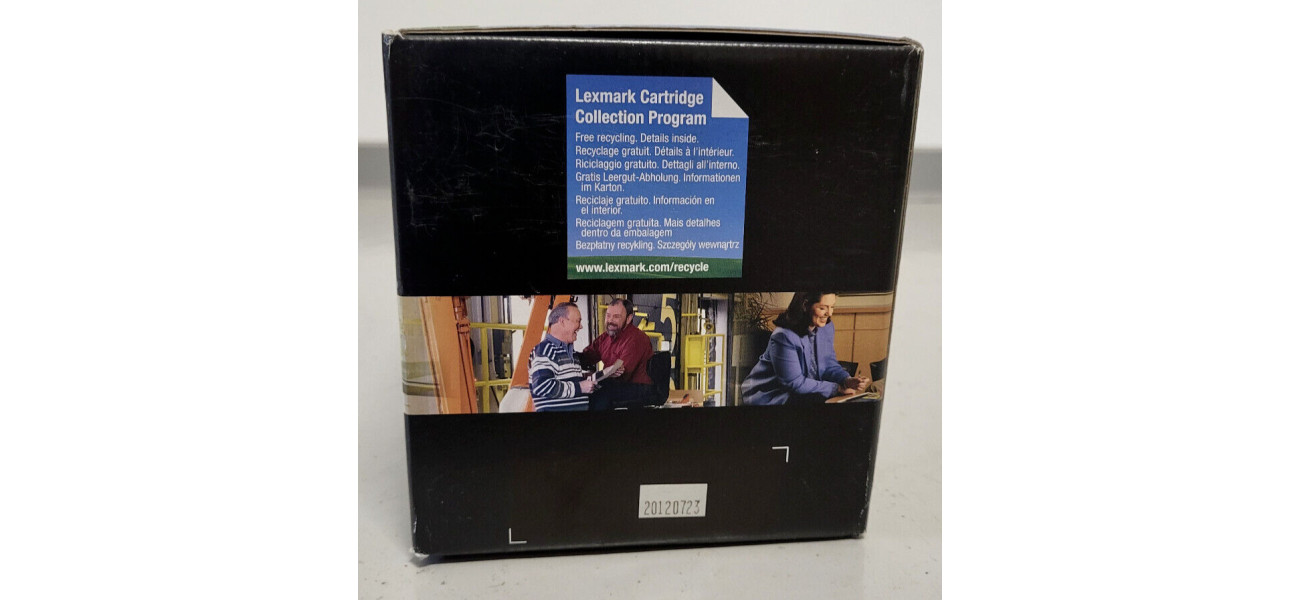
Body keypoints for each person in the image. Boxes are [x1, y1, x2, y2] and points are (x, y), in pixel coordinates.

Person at [740, 292, 875, 405]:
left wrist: (846, 380)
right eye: (823, 308)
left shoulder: (826, 327)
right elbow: (794, 383)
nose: (829, 313)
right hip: (772, 396)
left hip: (806, 393)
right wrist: (836, 388)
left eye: (832, 307)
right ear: (805, 305)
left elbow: (829, 365)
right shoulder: (783, 336)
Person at [578, 298, 662, 410]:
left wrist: (590, 379)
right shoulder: (605, 338)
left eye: (616, 317)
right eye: (608, 315)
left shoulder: (636, 339)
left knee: (600, 392)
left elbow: (621, 374)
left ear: (629, 318)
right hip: (615, 384)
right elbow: (586, 358)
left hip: (638, 387)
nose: (610, 320)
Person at [528, 302, 595, 411]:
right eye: (578, 321)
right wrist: (580, 387)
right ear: (562, 322)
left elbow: (570, 382)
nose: (581, 326)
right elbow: (542, 385)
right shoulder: (545, 349)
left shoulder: (571, 352)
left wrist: (604, 374)